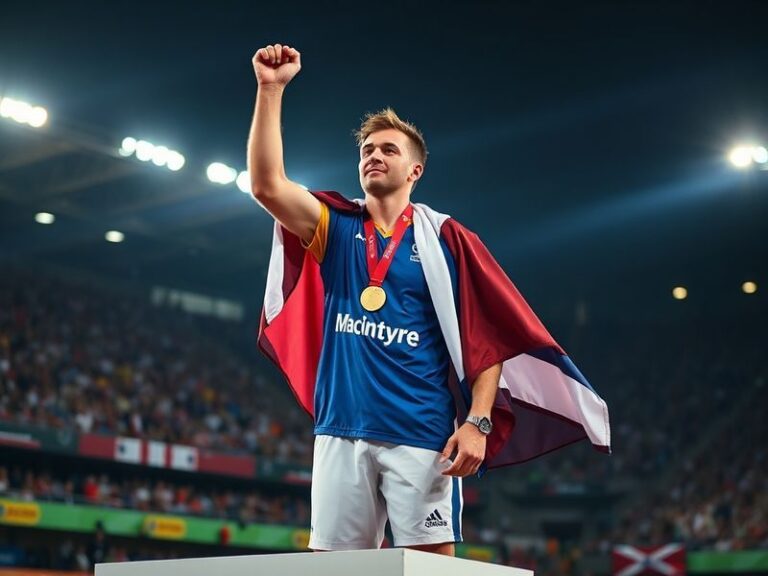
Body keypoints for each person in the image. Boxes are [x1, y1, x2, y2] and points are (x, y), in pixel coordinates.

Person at [248, 43, 611, 556]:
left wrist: (477, 423)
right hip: (340, 429)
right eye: (367, 150)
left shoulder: (447, 240)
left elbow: (490, 341)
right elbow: (266, 186)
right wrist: (271, 89)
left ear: (415, 171)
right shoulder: (334, 226)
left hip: (420, 433)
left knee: (429, 570)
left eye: (388, 150)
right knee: (332, 571)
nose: (374, 155)